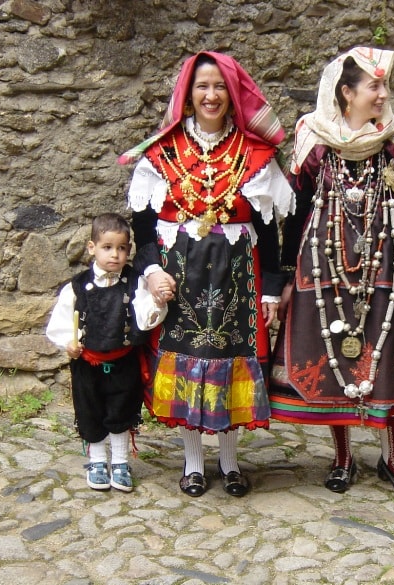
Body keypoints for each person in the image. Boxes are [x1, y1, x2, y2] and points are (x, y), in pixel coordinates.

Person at [269, 47, 394, 496]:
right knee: (336, 354)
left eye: (385, 86)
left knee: (387, 353)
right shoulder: (314, 144)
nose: (383, 94)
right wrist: (285, 278)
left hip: (388, 263)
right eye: (375, 86)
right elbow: (293, 214)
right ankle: (343, 457)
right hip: (324, 264)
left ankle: (392, 458)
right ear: (346, 93)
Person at [119, 51, 295, 498]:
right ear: (188, 94)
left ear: (232, 95)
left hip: (239, 281)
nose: (211, 95)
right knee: (188, 365)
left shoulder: (256, 156)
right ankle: (194, 462)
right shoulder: (161, 154)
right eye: (202, 87)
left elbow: (269, 235)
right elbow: (142, 231)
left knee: (231, 365)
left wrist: (272, 292)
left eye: (219, 86)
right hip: (181, 283)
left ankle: (231, 462)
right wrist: (152, 272)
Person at [46, 213, 169, 493]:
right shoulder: (77, 287)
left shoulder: (134, 282)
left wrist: (158, 304)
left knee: (121, 412)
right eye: (107, 247)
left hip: (123, 361)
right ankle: (98, 461)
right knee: (91, 411)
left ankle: (121, 463)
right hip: (87, 364)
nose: (115, 255)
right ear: (92, 248)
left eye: (122, 248)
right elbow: (60, 323)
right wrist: (69, 342)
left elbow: (145, 317)